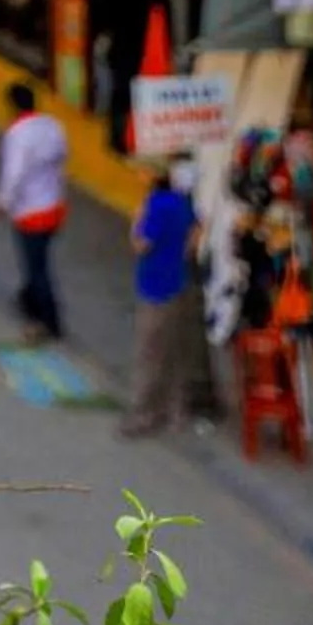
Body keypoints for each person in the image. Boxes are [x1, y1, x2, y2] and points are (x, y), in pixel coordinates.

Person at [121, 159, 199, 438]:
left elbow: (142, 244)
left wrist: (136, 221)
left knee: (149, 353)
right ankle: (175, 411)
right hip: (178, 282)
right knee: (174, 351)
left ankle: (143, 413)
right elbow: (193, 239)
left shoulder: (156, 205)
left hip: (155, 286)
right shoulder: (182, 202)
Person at [0, 82, 71, 344]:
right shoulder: (52, 126)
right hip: (54, 205)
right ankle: (27, 298)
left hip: (30, 211)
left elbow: (13, 173)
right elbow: (62, 157)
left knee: (36, 268)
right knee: (38, 260)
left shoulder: (17, 134)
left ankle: (48, 321)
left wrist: (3, 201)